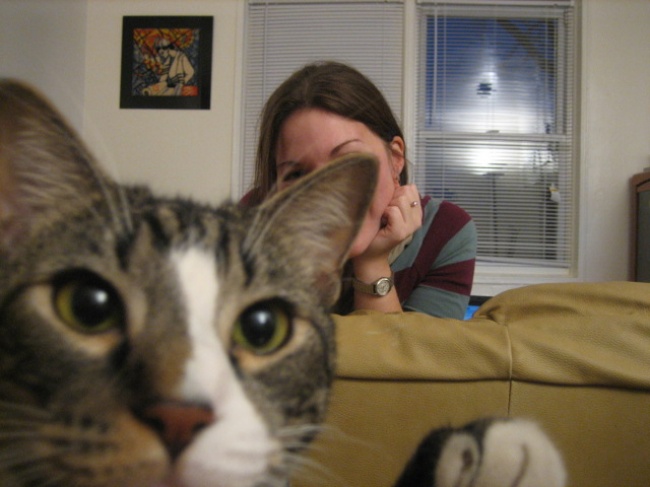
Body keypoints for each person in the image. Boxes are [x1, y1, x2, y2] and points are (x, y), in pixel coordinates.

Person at [244, 61, 476, 319]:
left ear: (395, 158)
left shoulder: (446, 231)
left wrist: (372, 263)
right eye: (297, 175)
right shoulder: (253, 221)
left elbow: (411, 348)